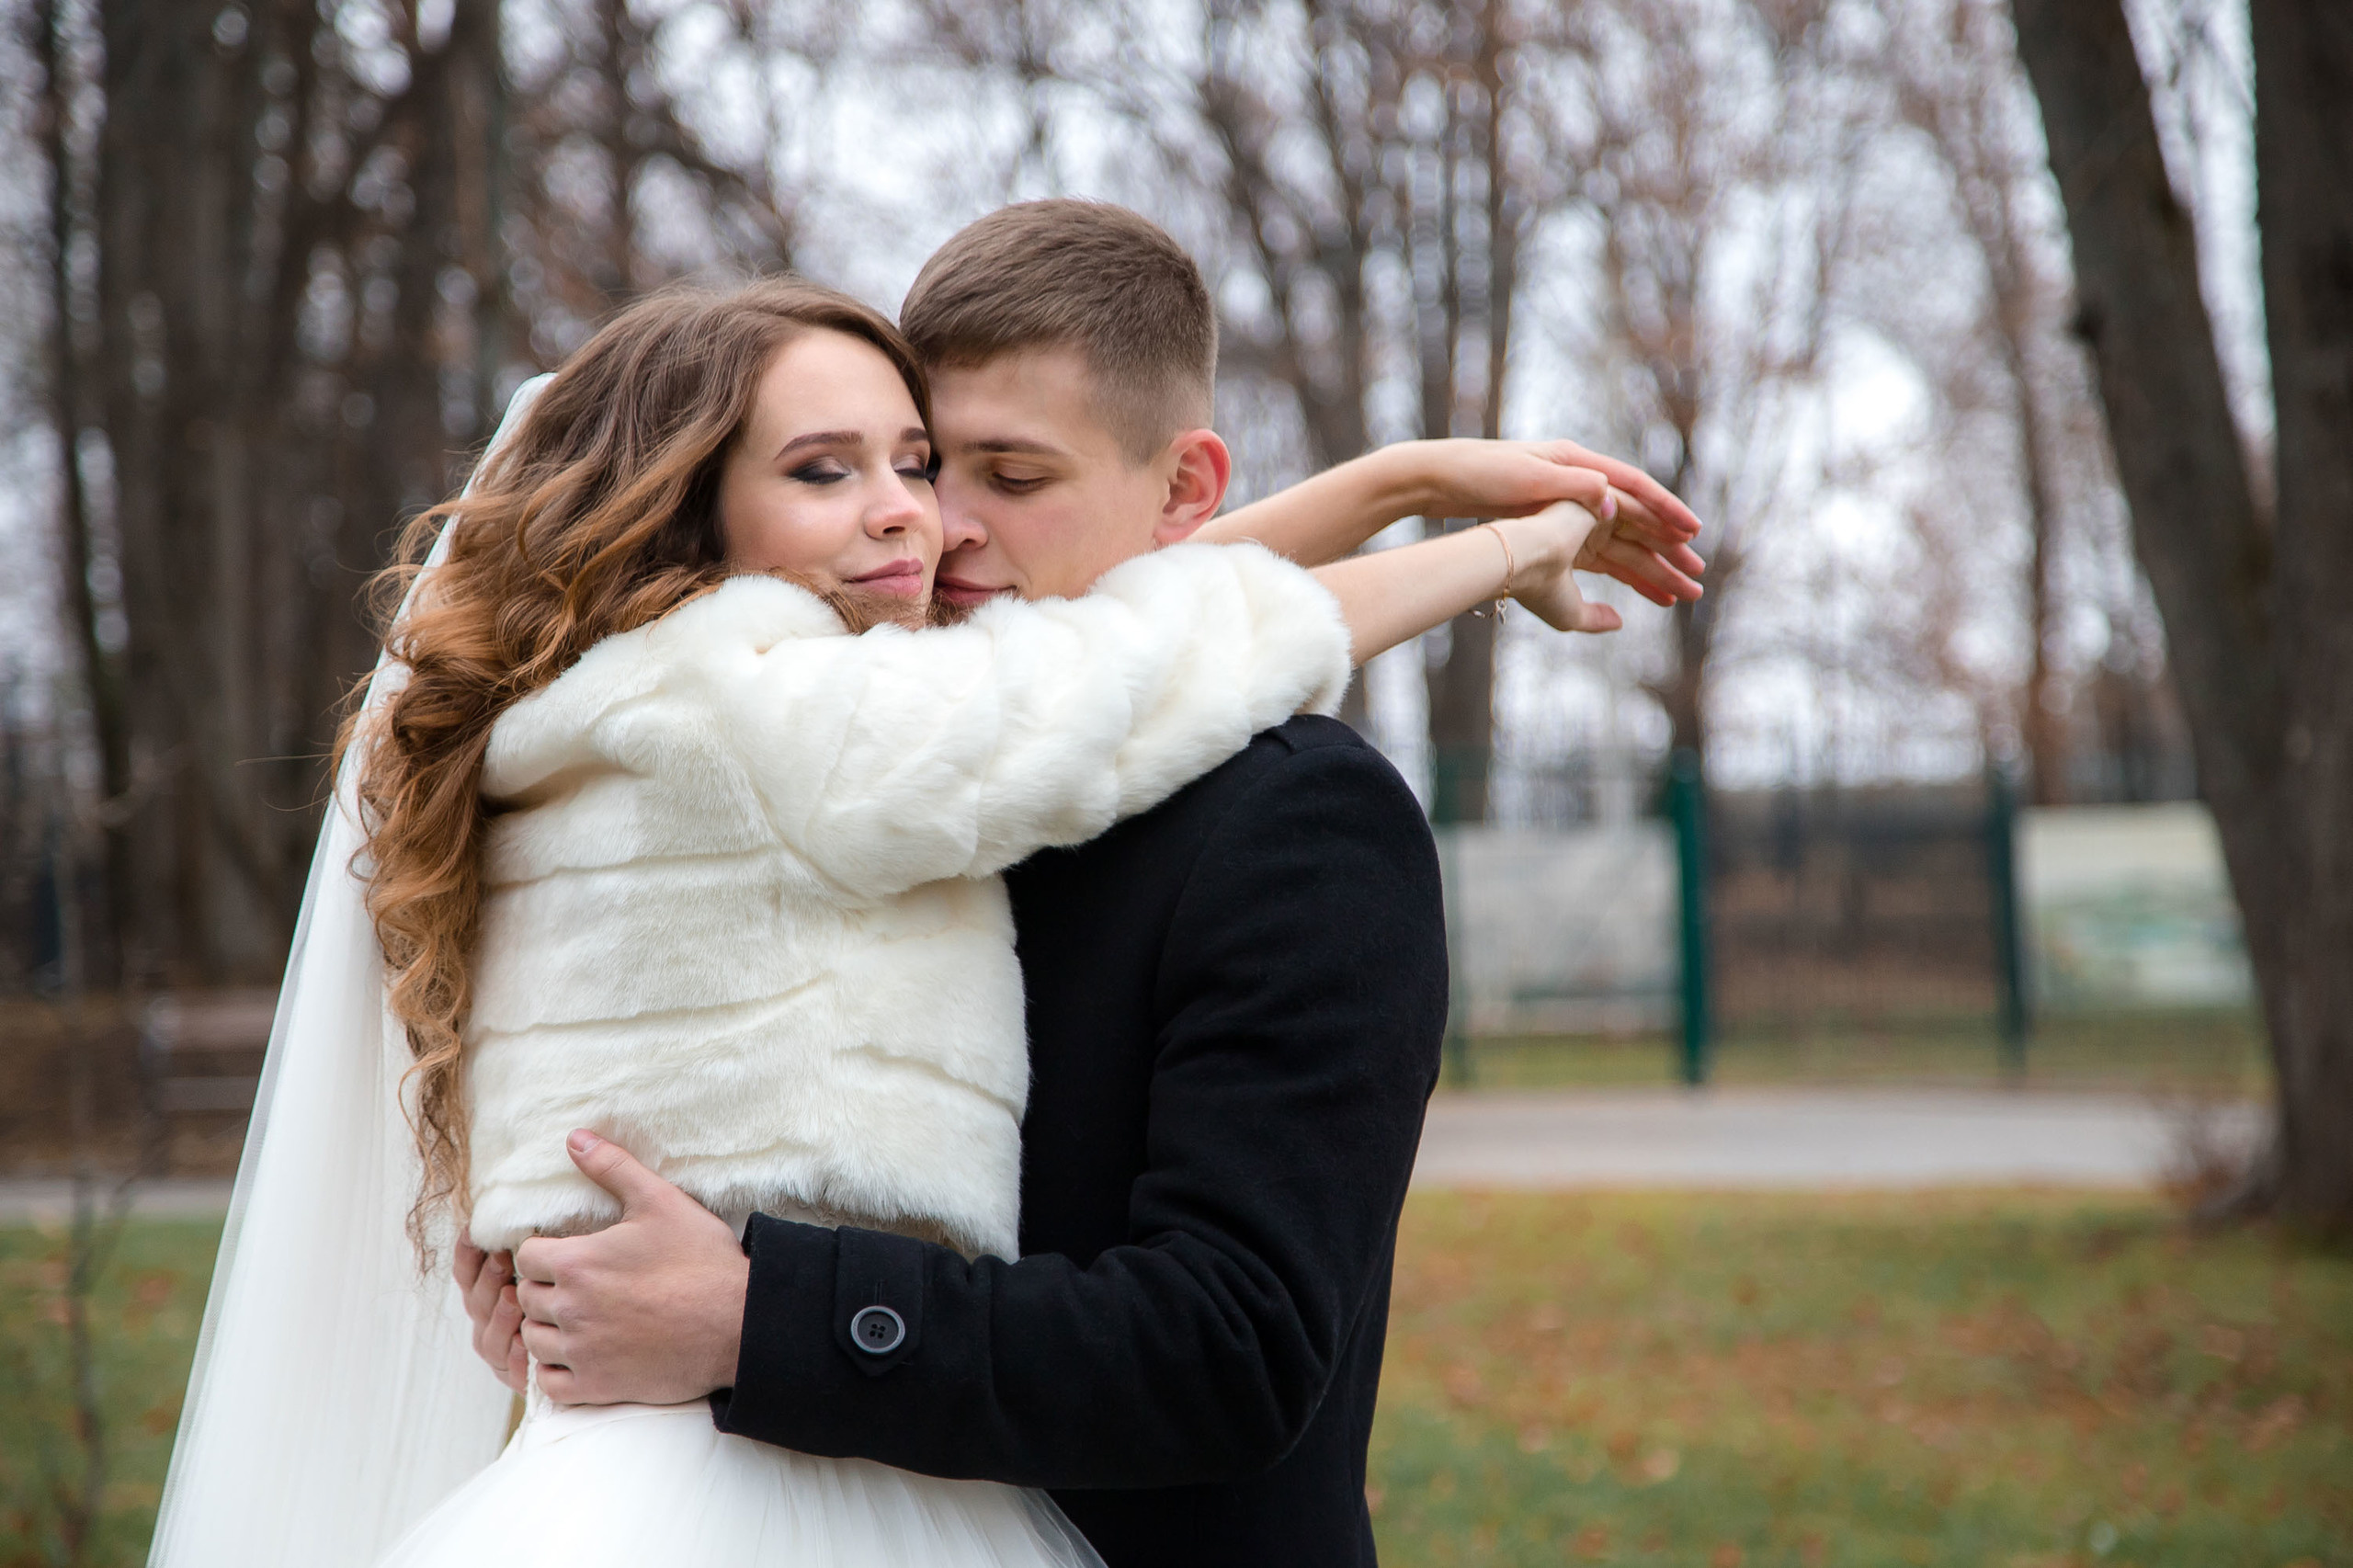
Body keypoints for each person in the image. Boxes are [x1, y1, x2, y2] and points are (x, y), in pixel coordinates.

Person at [149, 257, 1698, 1563]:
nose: (932, 525)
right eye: (886, 467)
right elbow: (1116, 658)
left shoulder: (1295, 820)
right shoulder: (846, 724)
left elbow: (1231, 1343)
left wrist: (752, 1315)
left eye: (987, 476)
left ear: (1181, 491)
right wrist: (575, 1295)